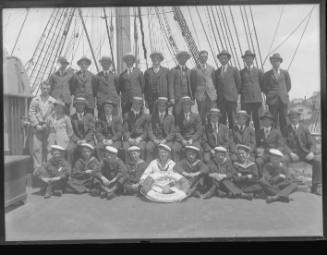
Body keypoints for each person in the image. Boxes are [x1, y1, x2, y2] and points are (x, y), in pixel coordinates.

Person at [284, 110, 322, 195]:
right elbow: (284, 144)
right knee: (282, 160)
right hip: (292, 154)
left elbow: (311, 143)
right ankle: (286, 185)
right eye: (292, 118)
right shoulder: (286, 129)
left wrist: (311, 152)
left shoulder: (304, 128)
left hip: (305, 154)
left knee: (318, 162)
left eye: (295, 117)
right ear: (289, 119)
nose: (294, 119)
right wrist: (290, 153)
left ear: (298, 118)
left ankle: (315, 187)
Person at [28, 81, 56, 174]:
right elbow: (31, 112)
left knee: (49, 148)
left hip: (48, 127)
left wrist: (47, 124)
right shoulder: (35, 100)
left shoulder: (53, 101)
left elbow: (54, 114)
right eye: (44, 88)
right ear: (40, 88)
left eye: (48, 89)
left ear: (50, 89)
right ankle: (37, 168)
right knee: (37, 148)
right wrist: (36, 125)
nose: (46, 90)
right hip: (37, 127)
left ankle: (48, 167)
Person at [263, 53, 291, 137]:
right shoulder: (267, 74)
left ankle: (284, 140)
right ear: (271, 62)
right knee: (273, 121)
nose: (275, 63)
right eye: (273, 61)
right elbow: (264, 88)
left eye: (277, 61)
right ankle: (273, 139)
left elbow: (288, 86)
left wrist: (282, 93)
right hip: (272, 101)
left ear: (280, 62)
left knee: (284, 121)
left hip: (283, 100)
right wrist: (271, 94)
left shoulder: (285, 73)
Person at [214, 50, 241, 129]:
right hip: (221, 100)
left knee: (232, 119)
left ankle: (233, 137)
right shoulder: (217, 72)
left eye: (224, 58)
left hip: (231, 99)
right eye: (221, 58)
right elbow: (216, 85)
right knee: (221, 120)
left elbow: (238, 84)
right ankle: (223, 138)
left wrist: (235, 96)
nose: (223, 60)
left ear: (228, 59)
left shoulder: (234, 70)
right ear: (219, 60)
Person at [240, 50, 264, 135]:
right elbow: (239, 86)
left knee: (258, 121)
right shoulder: (241, 72)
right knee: (245, 121)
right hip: (246, 101)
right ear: (244, 60)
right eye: (246, 58)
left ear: (253, 59)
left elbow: (262, 85)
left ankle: (259, 140)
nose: (248, 60)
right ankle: (245, 140)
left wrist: (255, 92)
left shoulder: (258, 71)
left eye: (250, 58)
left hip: (256, 100)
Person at [255, 111, 287, 175]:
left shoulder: (277, 132)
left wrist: (276, 153)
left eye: (268, 120)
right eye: (264, 120)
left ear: (271, 122)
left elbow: (281, 145)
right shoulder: (258, 133)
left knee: (281, 161)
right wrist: (258, 151)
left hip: (274, 154)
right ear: (262, 122)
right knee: (258, 161)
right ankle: (261, 179)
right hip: (263, 155)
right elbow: (256, 145)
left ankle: (278, 178)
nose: (266, 122)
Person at [67, 96, 95, 167]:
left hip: (88, 140)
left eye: (82, 105)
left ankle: (91, 168)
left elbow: (91, 130)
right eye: (78, 104)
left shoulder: (90, 116)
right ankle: (70, 169)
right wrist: (77, 140)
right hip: (76, 140)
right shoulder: (72, 117)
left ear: (84, 106)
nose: (80, 106)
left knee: (92, 148)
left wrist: (85, 140)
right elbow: (71, 131)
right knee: (69, 149)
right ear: (75, 106)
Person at [190, 50, 217, 123]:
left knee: (211, 114)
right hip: (200, 96)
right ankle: (202, 131)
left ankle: (210, 131)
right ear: (199, 57)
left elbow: (214, 81)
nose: (204, 58)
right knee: (201, 115)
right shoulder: (194, 70)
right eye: (202, 57)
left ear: (207, 58)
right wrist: (193, 97)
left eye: (205, 57)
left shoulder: (212, 68)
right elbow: (193, 84)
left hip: (211, 95)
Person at [146, 97, 176, 162]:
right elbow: (150, 130)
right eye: (160, 105)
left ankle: (168, 167)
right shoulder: (152, 117)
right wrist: (154, 139)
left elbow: (172, 132)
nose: (161, 107)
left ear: (166, 107)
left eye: (163, 106)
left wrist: (165, 140)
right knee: (148, 147)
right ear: (157, 106)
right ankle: (148, 167)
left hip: (166, 140)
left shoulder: (171, 117)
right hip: (155, 139)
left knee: (167, 148)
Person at [173, 96, 203, 162]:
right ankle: (177, 168)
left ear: (190, 105)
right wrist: (182, 140)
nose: (186, 106)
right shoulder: (178, 117)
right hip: (182, 138)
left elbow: (199, 131)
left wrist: (192, 139)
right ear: (182, 106)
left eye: (187, 104)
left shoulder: (196, 116)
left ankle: (199, 167)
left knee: (199, 149)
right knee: (175, 148)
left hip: (193, 139)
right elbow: (177, 131)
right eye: (184, 105)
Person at [122, 96, 149, 162]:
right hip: (130, 138)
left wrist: (139, 139)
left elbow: (146, 131)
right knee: (125, 148)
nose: (137, 105)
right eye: (135, 103)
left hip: (140, 139)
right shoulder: (127, 115)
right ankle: (128, 167)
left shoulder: (145, 116)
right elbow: (125, 130)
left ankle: (141, 165)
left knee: (142, 148)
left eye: (139, 104)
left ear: (141, 105)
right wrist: (129, 139)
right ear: (133, 104)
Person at [168, 51, 193, 117]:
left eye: (185, 58)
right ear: (178, 59)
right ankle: (177, 127)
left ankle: (187, 127)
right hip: (177, 97)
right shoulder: (173, 70)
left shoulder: (189, 71)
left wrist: (192, 97)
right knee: (177, 113)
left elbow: (191, 85)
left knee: (187, 113)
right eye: (181, 57)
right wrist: (172, 97)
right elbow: (171, 85)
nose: (183, 59)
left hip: (187, 97)